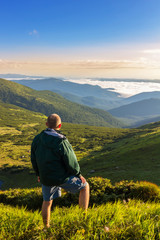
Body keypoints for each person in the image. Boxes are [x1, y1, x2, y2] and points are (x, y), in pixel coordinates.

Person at [31, 113, 90, 228]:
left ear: (46, 124)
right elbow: (71, 161)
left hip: (46, 177)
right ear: (60, 126)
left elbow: (33, 159)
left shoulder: (37, 139)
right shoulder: (61, 141)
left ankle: (46, 227)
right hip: (61, 177)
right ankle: (83, 217)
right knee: (85, 186)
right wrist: (78, 174)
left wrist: (38, 174)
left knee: (47, 202)